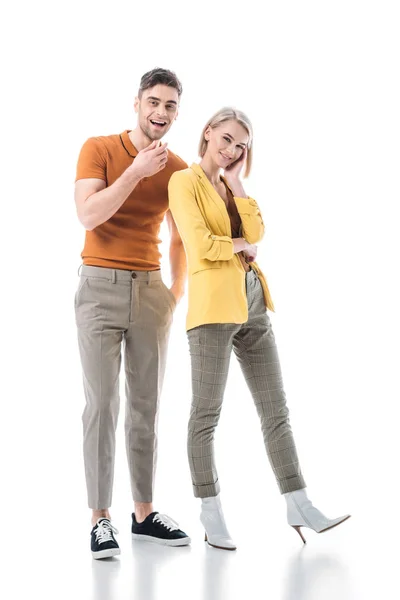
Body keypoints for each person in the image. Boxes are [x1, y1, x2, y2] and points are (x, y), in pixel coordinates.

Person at [168, 107, 350, 550]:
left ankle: (299, 500)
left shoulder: (230, 185)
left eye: (241, 146)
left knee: (276, 410)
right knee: (205, 415)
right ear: (208, 133)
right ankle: (211, 512)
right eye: (226, 138)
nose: (231, 150)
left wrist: (238, 185)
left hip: (252, 300)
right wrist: (239, 245)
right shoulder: (184, 182)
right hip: (213, 309)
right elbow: (199, 244)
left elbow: (258, 231)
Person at [74, 68, 191, 559]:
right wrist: (136, 172)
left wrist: (174, 291)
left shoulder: (179, 168)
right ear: (137, 103)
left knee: (146, 406)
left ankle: (143, 515)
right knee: (102, 405)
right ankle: (100, 519)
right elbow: (89, 213)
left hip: (149, 294)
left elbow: (181, 234)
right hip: (99, 288)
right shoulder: (98, 149)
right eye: (154, 102)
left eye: (170, 106)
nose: (160, 113)